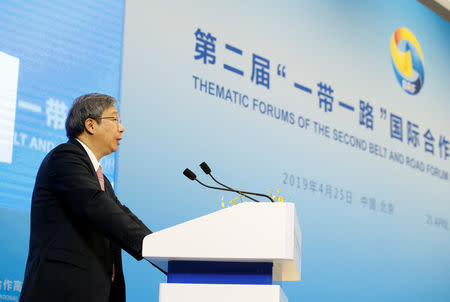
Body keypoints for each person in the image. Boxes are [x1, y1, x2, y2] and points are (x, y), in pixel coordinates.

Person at [19, 93, 151, 302]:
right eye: (115, 119)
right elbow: (97, 206)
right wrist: (148, 244)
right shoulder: (65, 157)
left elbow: (121, 212)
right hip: (60, 291)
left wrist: (159, 246)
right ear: (91, 125)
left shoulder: (101, 179)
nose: (121, 127)